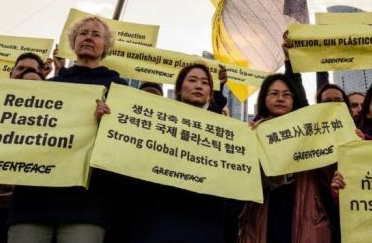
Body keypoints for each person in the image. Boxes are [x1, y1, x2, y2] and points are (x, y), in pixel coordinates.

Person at [8, 16, 125, 243]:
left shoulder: (118, 88)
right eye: (83, 33)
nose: (89, 37)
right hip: (34, 198)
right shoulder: (48, 87)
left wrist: (108, 124)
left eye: (96, 34)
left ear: (106, 46)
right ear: (73, 42)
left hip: (87, 202)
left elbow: (125, 142)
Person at [119, 63, 241, 243]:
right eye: (192, 80)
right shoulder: (155, 123)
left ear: (210, 92)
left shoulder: (226, 133)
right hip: (159, 220)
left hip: (205, 223)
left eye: (205, 82)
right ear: (178, 89)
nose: (198, 85)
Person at [238, 73, 334, 243]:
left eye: (286, 94)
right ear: (264, 98)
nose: (280, 98)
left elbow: (328, 172)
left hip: (306, 212)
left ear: (293, 99)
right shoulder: (250, 132)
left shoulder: (311, 130)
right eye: (274, 93)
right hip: (265, 213)